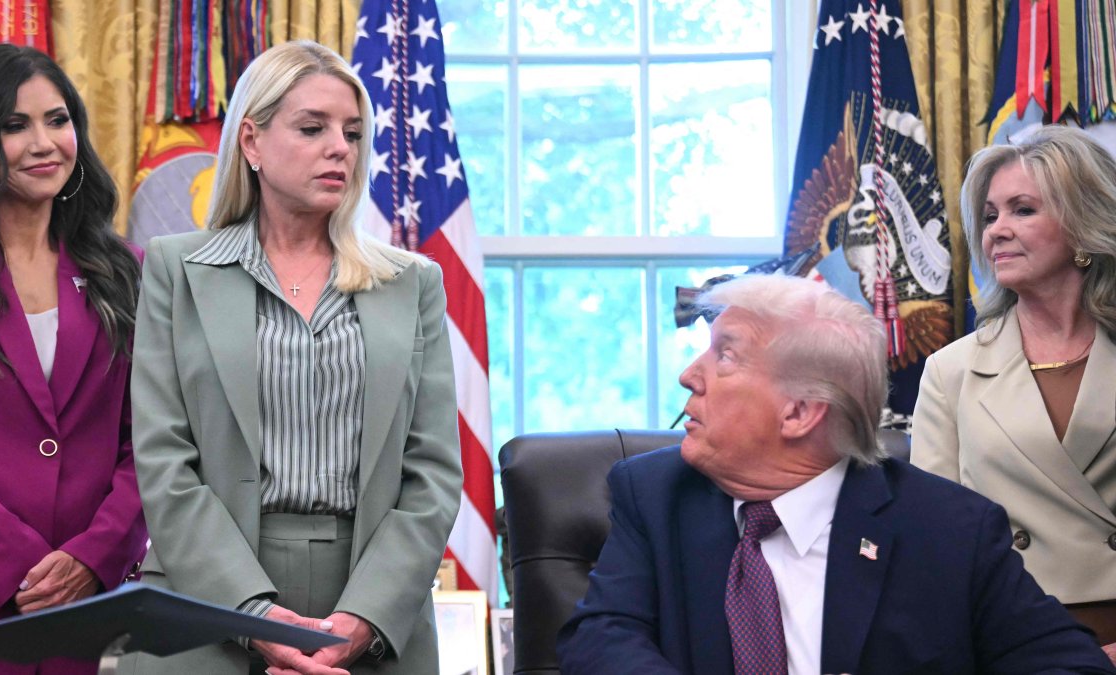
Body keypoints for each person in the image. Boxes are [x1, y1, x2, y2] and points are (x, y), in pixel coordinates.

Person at [556, 273, 1113, 674]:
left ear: (799, 413)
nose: (688, 376)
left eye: (725, 356)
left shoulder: (950, 528)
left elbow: (1068, 665)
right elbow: (600, 639)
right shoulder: (653, 494)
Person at [121, 40, 461, 675]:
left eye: (353, 133)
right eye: (313, 128)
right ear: (251, 142)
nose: (341, 148)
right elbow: (164, 460)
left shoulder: (413, 282)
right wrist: (251, 612)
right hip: (206, 599)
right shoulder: (176, 269)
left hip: (372, 604)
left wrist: (363, 619)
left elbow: (434, 474)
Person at [0, 44, 147, 673]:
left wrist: (94, 556)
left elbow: (153, 437)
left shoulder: (127, 270)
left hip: (85, 614)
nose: (43, 142)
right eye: (14, 126)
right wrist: (18, 560)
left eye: (57, 119)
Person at [912, 125, 1116, 658]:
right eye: (990, 215)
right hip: (1009, 641)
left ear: (1082, 221)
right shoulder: (948, 370)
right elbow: (931, 544)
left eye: (1022, 210)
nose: (997, 230)